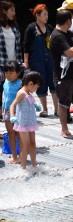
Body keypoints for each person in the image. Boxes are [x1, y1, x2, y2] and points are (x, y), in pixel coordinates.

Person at [50, 9, 73, 138]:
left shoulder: (68, 33)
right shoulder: (57, 36)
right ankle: (64, 128)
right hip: (63, 76)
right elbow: (69, 52)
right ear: (68, 21)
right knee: (64, 103)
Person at [23, 4, 58, 118]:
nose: (46, 17)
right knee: (40, 84)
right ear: (37, 15)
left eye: (47, 14)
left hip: (50, 60)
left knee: (53, 83)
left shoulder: (50, 28)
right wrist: (26, 61)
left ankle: (57, 110)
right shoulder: (31, 28)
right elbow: (26, 46)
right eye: (44, 14)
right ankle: (45, 109)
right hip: (37, 60)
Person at [10, 71, 42, 169]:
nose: (36, 89)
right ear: (30, 83)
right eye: (36, 87)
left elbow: (29, 102)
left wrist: (35, 105)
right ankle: (23, 167)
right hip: (22, 123)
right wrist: (12, 116)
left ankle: (34, 165)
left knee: (33, 143)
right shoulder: (21, 93)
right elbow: (12, 105)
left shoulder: (28, 92)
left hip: (31, 121)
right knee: (26, 144)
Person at [0, 0, 22, 128]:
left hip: (15, 65)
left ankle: (14, 122)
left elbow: (18, 46)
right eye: (11, 10)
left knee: (15, 93)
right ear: (3, 11)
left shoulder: (15, 26)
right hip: (1, 65)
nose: (14, 13)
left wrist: (20, 64)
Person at [2, 61, 21, 163]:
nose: (8, 75)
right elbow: (5, 97)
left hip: (18, 112)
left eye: (11, 73)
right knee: (11, 134)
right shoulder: (5, 82)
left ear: (18, 73)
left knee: (19, 134)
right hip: (7, 111)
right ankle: (14, 156)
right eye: (6, 73)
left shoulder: (21, 84)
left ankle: (22, 155)